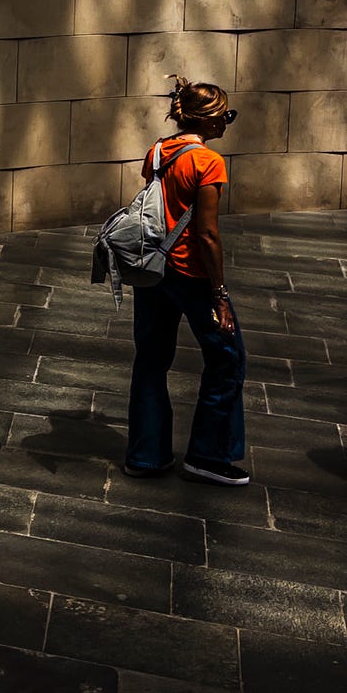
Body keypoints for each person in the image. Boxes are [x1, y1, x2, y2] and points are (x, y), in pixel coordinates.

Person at [123, 75, 248, 486]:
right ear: (209, 120)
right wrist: (221, 295)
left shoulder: (158, 151)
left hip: (154, 271)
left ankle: (146, 456)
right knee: (227, 358)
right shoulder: (208, 162)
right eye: (225, 115)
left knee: (151, 361)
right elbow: (207, 234)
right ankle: (209, 457)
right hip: (191, 276)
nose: (227, 123)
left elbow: (157, 208)